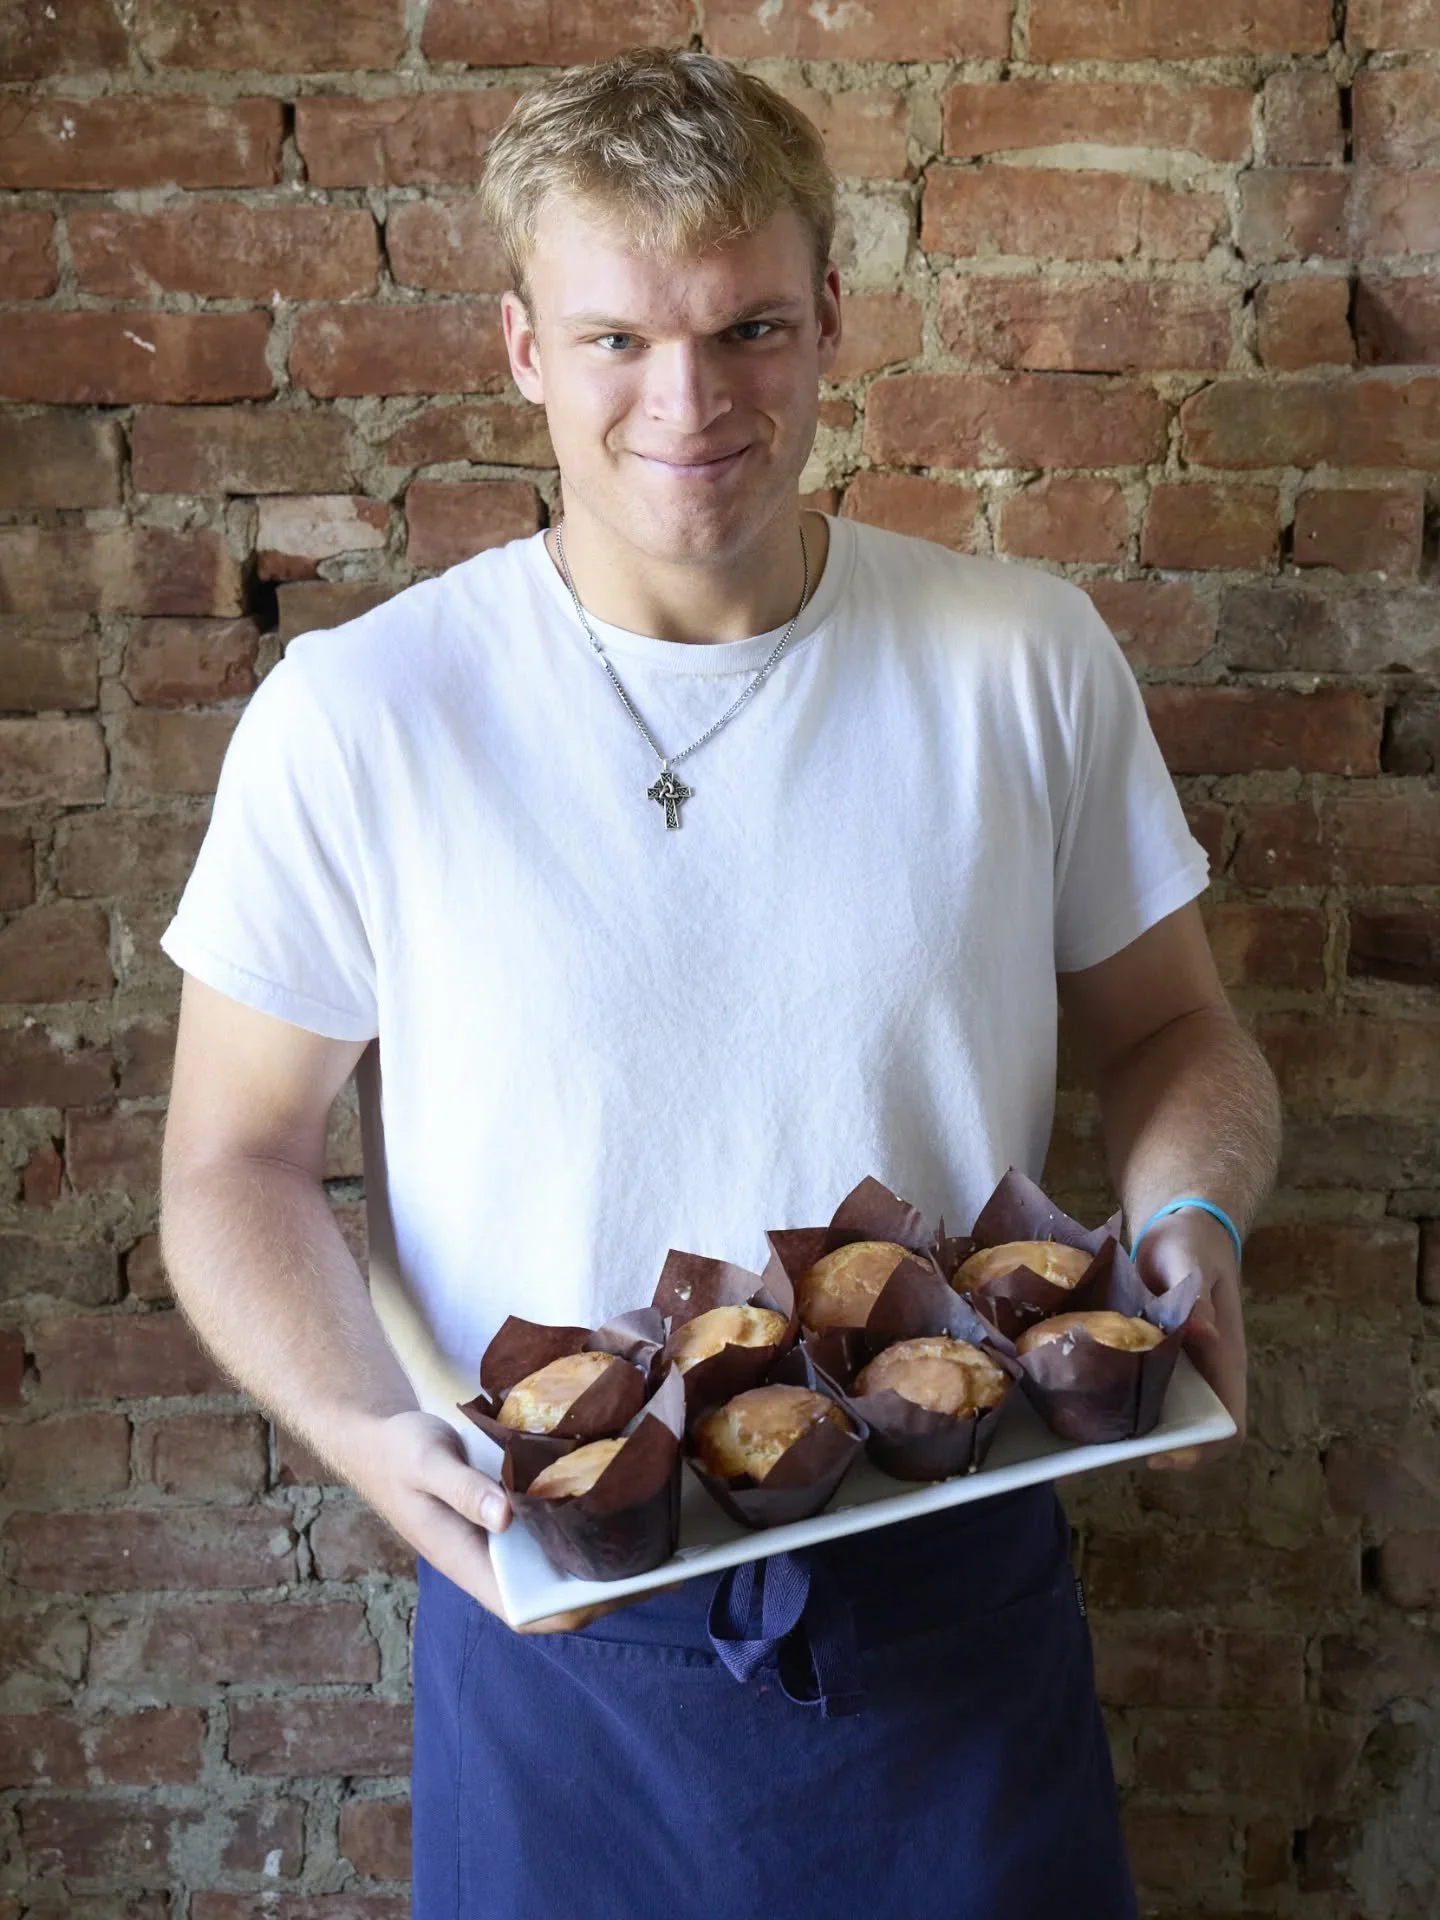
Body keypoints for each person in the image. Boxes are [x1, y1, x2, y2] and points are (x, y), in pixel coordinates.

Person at [158, 47, 1281, 1920]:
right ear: (524, 348)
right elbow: (234, 1159)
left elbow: (1175, 1030)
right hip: (558, 1632)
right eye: (618, 339)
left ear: (831, 316)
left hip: (954, 1591)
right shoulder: (362, 715)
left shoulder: (1022, 657)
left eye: (749, 327)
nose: (688, 401)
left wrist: (1191, 1214)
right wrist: (358, 1426)